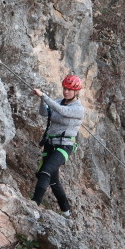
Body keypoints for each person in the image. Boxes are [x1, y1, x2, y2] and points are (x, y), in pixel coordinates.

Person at [30, 75, 84, 217]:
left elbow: (62, 111)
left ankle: (34, 205)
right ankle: (66, 213)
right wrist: (42, 100)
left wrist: (45, 96)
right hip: (50, 145)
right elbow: (44, 112)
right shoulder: (59, 102)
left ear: (76, 92)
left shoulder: (78, 109)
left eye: (70, 89)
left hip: (64, 147)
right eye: (65, 88)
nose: (66, 91)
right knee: (54, 182)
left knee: (45, 171)